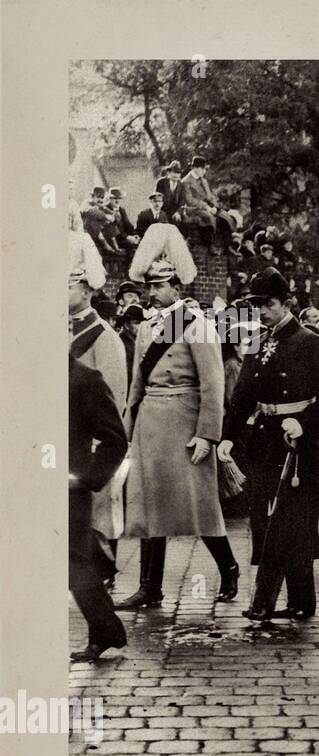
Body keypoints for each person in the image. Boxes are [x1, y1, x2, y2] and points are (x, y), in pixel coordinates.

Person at [115, 224, 240, 610]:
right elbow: (137, 384)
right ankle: (149, 587)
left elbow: (213, 384)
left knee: (198, 506)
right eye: (149, 285)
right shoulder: (147, 328)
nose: (152, 292)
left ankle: (229, 567)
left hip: (186, 425)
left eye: (160, 285)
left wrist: (208, 435)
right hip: (151, 425)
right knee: (150, 505)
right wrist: (128, 431)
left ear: (177, 287)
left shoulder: (198, 324)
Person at [217, 267, 319, 622]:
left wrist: (302, 423)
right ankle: (301, 602)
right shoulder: (256, 341)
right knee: (266, 519)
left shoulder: (311, 342)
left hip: (298, 445)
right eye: (256, 305)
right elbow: (243, 395)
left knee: (291, 520)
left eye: (268, 304)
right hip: (264, 440)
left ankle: (266, 601)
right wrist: (228, 436)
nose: (262, 311)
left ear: (286, 303)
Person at [69, 233, 129, 587]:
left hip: (92, 447)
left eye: (67, 285)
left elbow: (114, 401)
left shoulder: (104, 337)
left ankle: (102, 578)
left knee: (97, 518)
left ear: (86, 289)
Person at [69, 355, 129, 662]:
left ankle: (105, 631)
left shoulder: (85, 378)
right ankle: (107, 631)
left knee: (71, 563)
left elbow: (115, 439)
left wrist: (86, 479)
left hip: (68, 489)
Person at [177, 156, 222, 254]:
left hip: (205, 207)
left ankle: (228, 245)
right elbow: (189, 200)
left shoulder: (203, 180)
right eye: (202, 168)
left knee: (225, 216)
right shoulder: (186, 182)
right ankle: (210, 244)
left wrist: (214, 206)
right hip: (191, 209)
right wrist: (206, 207)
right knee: (208, 217)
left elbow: (210, 196)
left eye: (204, 169)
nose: (204, 171)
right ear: (194, 168)